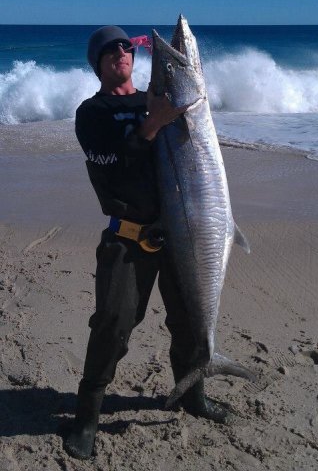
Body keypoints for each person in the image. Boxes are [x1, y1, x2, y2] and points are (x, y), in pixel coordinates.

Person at [64, 26, 230, 460]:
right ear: (97, 63)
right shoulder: (92, 112)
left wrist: (170, 111)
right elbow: (114, 168)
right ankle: (87, 415)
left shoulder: (160, 101)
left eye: (125, 46)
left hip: (182, 234)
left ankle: (193, 393)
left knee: (190, 322)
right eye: (109, 50)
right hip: (128, 239)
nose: (121, 52)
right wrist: (154, 123)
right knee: (112, 327)